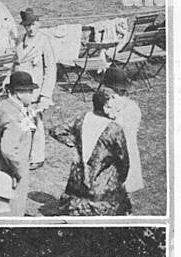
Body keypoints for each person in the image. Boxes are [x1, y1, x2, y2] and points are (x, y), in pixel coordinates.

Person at [55, 87, 132, 215]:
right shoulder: (114, 129)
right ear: (106, 107)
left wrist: (74, 144)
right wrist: (120, 180)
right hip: (103, 191)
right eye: (115, 108)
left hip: (77, 185)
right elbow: (123, 161)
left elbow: (56, 130)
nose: (118, 111)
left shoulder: (81, 119)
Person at [0, 69, 37, 216]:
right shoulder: (14, 118)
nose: (32, 95)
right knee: (13, 207)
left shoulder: (0, 106)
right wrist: (19, 171)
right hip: (11, 170)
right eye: (30, 91)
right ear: (18, 92)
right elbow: (8, 150)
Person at [15, 8, 56, 170]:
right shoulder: (20, 40)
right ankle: (24, 152)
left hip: (35, 91)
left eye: (32, 25)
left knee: (36, 122)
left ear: (38, 23)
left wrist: (45, 95)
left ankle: (37, 157)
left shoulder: (44, 41)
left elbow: (50, 69)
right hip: (19, 89)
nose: (30, 29)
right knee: (22, 121)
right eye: (27, 26)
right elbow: (15, 64)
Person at [102, 67, 143, 195]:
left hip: (120, 151)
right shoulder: (132, 106)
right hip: (127, 149)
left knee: (117, 187)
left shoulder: (113, 106)